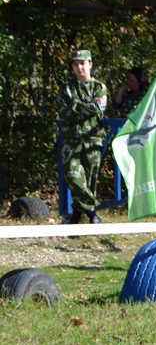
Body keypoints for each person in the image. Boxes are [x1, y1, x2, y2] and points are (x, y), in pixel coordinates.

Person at [57, 49, 108, 224]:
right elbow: (64, 113)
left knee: (90, 177)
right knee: (73, 176)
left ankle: (78, 214)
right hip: (71, 140)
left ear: (90, 64)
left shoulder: (99, 87)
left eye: (83, 64)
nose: (79, 68)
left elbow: (99, 109)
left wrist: (75, 107)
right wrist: (87, 106)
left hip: (93, 139)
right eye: (76, 64)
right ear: (72, 67)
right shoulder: (67, 89)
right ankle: (92, 211)